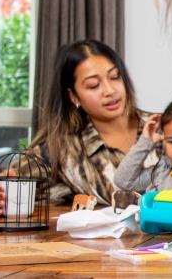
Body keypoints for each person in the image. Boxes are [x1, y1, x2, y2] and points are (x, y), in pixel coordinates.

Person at [29, 39, 149, 203]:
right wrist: (65, 192)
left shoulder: (164, 127)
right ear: (73, 96)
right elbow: (4, 184)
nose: (110, 90)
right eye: (93, 85)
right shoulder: (63, 149)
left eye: (115, 77)